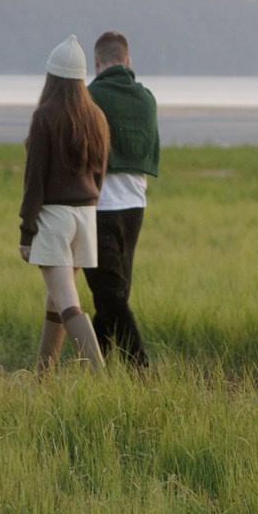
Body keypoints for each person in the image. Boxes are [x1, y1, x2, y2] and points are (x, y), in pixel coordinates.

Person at [19, 37, 109, 372]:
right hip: (86, 218)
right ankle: (41, 380)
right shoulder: (96, 116)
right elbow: (100, 174)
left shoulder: (45, 116)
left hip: (55, 219)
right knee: (56, 297)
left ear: (51, 78)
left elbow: (34, 183)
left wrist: (26, 231)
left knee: (67, 300)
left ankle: (102, 380)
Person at [87, 28, 159, 367]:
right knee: (114, 297)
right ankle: (92, 372)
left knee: (110, 297)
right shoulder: (146, 99)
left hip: (99, 209)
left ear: (96, 62)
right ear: (128, 61)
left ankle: (141, 371)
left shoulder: (88, 98)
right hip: (135, 208)